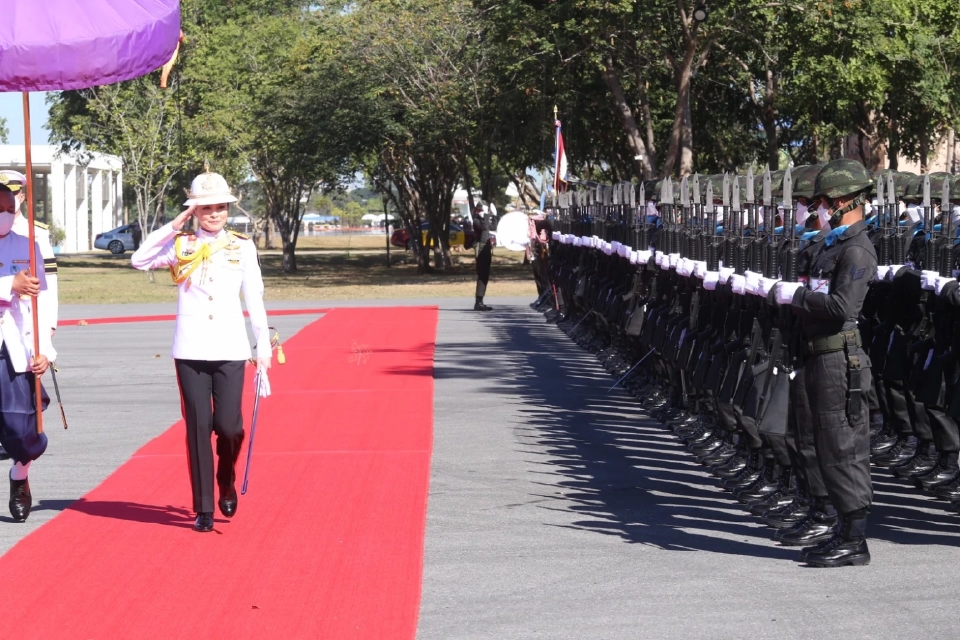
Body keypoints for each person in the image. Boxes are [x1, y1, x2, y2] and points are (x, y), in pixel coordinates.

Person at [131, 171, 271, 533]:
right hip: (191, 348)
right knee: (198, 428)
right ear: (194, 210)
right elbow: (139, 260)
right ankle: (204, 507)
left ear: (228, 209)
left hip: (229, 347)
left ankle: (226, 477)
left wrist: (261, 343)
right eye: (205, 207)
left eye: (219, 207)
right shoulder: (180, 243)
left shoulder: (243, 246)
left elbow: (253, 297)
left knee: (229, 427)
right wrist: (173, 223)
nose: (213, 214)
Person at [774, 159, 878, 567]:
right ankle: (839, 524)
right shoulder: (833, 246)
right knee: (821, 443)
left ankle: (855, 540)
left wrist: (793, 297)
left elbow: (840, 306)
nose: (817, 208)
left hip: (840, 359)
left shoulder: (857, 249)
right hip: (818, 354)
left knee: (842, 447)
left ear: (842, 202)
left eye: (822, 201)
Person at [0, 185, 54, 522]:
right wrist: (8, 285)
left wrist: (45, 348)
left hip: (16, 346)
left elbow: (42, 302)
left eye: (9, 208)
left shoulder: (28, 245)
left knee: (23, 429)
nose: (5, 215)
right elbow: (14, 286)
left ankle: (19, 476)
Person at [472, 202, 494, 311]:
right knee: (482, 275)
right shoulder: (476, 221)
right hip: (481, 249)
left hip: (486, 248)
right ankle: (478, 302)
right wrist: (485, 215)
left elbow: (493, 226)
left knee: (485, 275)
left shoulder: (483, 220)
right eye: (481, 211)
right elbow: (485, 229)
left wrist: (493, 215)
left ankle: (480, 301)